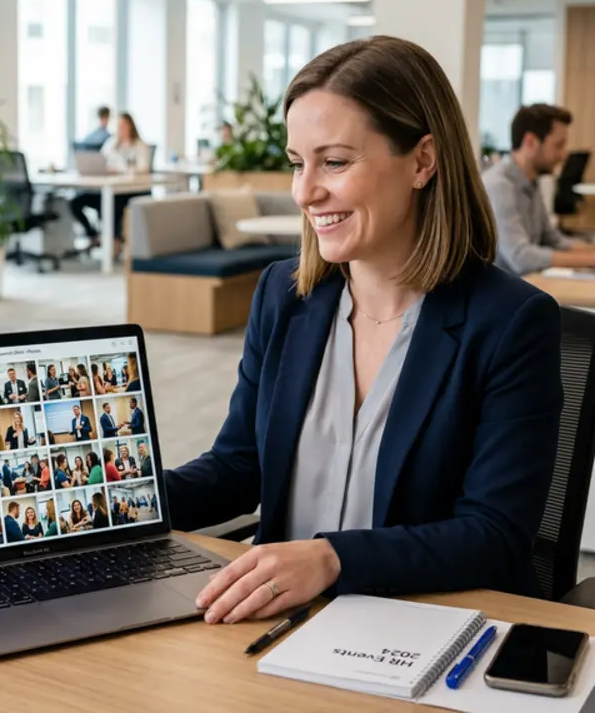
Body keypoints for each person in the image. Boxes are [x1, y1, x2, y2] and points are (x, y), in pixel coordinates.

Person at [164, 35, 562, 627]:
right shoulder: (285, 294)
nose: (305, 192)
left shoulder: (509, 322)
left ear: (423, 161)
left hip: (421, 627)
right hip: (274, 627)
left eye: (335, 161)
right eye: (298, 163)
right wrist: (118, 505)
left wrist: (332, 560)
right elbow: (238, 466)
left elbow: (494, 534)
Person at [483, 104, 595, 276]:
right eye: (558, 145)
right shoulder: (499, 185)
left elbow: (552, 240)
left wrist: (590, 251)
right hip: (501, 297)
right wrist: (591, 259)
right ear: (531, 142)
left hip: (526, 288)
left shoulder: (531, 183)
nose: (563, 155)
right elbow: (522, 257)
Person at [69, 112, 151, 251]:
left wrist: (123, 170)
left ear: (131, 126)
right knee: (75, 202)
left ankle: (115, 241)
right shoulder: (112, 143)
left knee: (112, 204)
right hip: (110, 188)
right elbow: (101, 159)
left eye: (124, 125)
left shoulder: (139, 146)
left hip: (130, 191)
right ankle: (93, 235)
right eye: (118, 126)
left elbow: (143, 168)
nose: (121, 129)